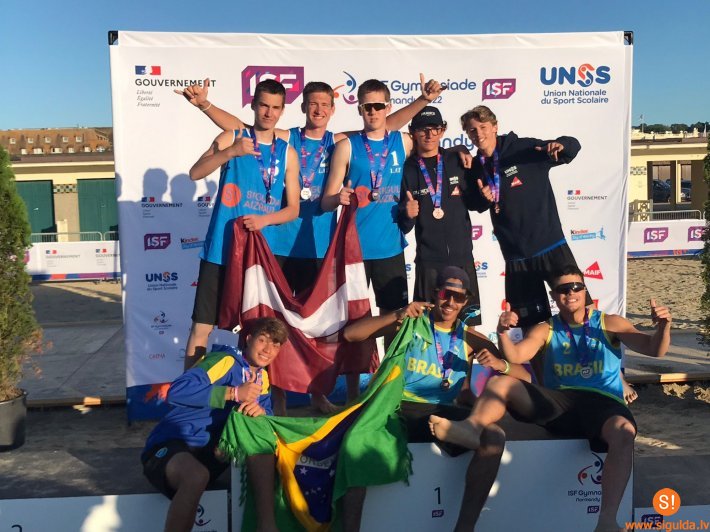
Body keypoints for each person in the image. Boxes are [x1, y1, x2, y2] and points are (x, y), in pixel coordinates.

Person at [179, 76, 443, 412]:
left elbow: (383, 125)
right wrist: (205, 105)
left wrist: (422, 101)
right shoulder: (286, 138)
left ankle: (318, 396)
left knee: (318, 329)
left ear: (334, 110)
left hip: (319, 249)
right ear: (303, 107)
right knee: (271, 326)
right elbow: (242, 127)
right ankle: (273, 399)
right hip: (276, 247)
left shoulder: (340, 142)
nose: (318, 110)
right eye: (313, 104)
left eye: (325, 105)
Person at [429, 266, 672, 532]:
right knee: (500, 382)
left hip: (603, 403)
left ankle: (606, 521)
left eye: (576, 287)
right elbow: (516, 356)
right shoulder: (546, 328)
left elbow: (654, 349)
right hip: (560, 401)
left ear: (585, 290)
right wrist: (502, 333)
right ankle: (471, 428)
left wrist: (664, 327)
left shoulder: (609, 322)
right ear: (554, 296)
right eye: (562, 289)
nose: (571, 293)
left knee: (624, 431)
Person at [343, 266, 531, 531]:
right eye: (445, 294)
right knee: (355, 441)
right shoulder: (410, 321)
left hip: (442, 413)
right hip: (399, 407)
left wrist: (502, 364)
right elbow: (351, 335)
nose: (451, 302)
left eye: (459, 297)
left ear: (465, 301)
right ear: (435, 293)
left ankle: (464, 528)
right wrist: (397, 314)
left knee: (494, 436)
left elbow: (525, 377)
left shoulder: (470, 337)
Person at [184, 79, 299, 372]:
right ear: (253, 105)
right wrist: (230, 153)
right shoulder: (231, 137)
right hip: (221, 252)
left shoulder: (288, 152)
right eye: (264, 105)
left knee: (258, 332)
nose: (269, 113)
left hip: (258, 257)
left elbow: (293, 209)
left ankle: (253, 392)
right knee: (202, 327)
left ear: (282, 110)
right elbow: (195, 173)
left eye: (275, 108)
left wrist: (265, 220)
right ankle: (190, 393)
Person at [322, 78, 444, 345]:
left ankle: (391, 370)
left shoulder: (404, 141)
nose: (373, 111)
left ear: (388, 107)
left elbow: (433, 151)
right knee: (353, 322)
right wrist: (337, 198)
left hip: (390, 249)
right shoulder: (347, 146)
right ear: (359, 109)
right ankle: (355, 374)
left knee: (395, 320)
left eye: (378, 106)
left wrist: (460, 151)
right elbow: (326, 201)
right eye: (367, 106)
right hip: (354, 251)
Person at [141, 317, 289, 532]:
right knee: (196, 475)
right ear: (249, 339)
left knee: (262, 441)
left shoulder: (263, 379)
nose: (268, 349)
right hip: (173, 445)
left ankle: (267, 527)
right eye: (263, 340)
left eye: (275, 344)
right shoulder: (224, 360)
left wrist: (262, 413)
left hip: (212, 456)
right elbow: (177, 391)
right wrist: (232, 393)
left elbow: (265, 419)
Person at [461, 105, 587, 329]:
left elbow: (572, 147)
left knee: (580, 313)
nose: (478, 134)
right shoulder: (474, 167)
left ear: (495, 126)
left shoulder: (521, 149)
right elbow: (474, 205)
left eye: (483, 127)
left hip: (551, 246)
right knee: (530, 326)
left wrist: (562, 144)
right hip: (516, 257)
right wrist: (483, 198)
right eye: (472, 130)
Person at [398, 106, 488, 323]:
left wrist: (485, 198)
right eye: (423, 129)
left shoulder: (457, 160)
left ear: (442, 130)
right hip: (429, 265)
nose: (429, 135)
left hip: (463, 262)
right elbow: (405, 226)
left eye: (434, 128)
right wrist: (407, 214)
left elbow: (476, 205)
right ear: (412, 132)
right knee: (426, 328)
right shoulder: (406, 169)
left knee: (467, 328)